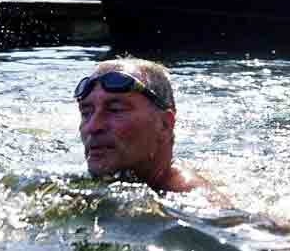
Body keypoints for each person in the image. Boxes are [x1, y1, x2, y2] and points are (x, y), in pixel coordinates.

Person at [75, 58, 210, 192]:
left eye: (115, 110)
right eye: (86, 113)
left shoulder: (197, 206)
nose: (92, 127)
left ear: (164, 124)